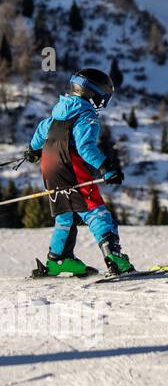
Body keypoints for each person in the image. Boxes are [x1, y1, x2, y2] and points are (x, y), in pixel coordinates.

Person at [26, 69, 131, 277]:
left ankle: (58, 259)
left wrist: (32, 150)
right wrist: (106, 168)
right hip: (70, 166)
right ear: (92, 93)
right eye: (103, 96)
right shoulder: (85, 114)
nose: (102, 102)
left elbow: (40, 130)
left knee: (65, 213)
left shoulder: (58, 112)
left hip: (49, 167)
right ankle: (115, 259)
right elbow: (85, 147)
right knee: (95, 210)